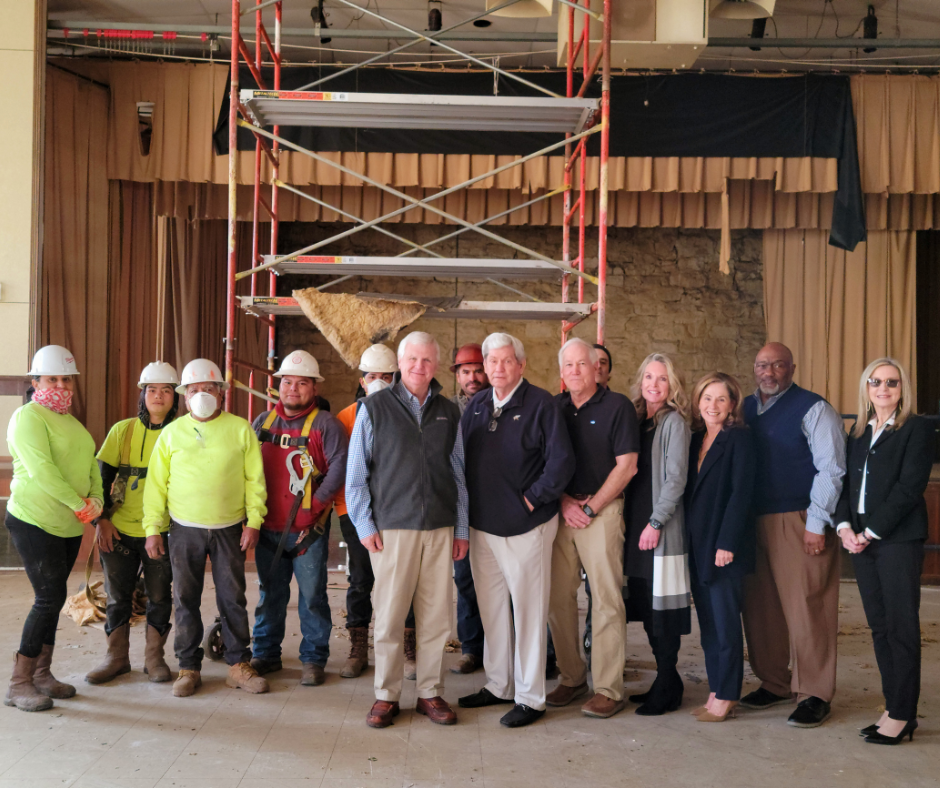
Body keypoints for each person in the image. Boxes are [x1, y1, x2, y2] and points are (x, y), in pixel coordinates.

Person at [347, 332, 469, 728]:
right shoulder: (374, 408)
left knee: (435, 618)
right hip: (392, 529)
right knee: (389, 616)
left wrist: (462, 529)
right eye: (413, 359)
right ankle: (386, 695)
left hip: (438, 527)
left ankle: (430, 692)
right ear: (400, 363)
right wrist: (364, 524)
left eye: (428, 360)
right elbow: (355, 476)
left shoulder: (449, 412)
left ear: (436, 365)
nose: (420, 366)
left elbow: (459, 475)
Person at [459, 333, 575, 728]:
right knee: (492, 609)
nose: (497, 368)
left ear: (521, 365)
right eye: (492, 361)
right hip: (482, 528)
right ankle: (498, 684)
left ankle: (530, 697)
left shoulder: (541, 404)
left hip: (527, 527)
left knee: (528, 612)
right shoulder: (476, 405)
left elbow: (560, 463)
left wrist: (529, 501)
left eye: (507, 361)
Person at [143, 358, 268, 698]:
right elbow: (156, 485)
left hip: (230, 527)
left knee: (233, 598)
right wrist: (153, 527)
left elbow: (254, 480)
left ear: (221, 393)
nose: (202, 394)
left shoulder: (240, 429)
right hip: (184, 529)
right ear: (185, 396)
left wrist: (253, 521)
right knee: (185, 598)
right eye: (195, 390)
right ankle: (188, 667)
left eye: (209, 389)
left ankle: (238, 665)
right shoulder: (171, 434)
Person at [741, 342, 846, 728]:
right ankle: (774, 682)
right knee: (761, 607)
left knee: (807, 608)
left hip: (798, 518)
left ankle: (815, 693)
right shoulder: (746, 408)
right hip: (754, 520)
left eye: (778, 366)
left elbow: (831, 469)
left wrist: (816, 523)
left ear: (792, 368)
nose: (769, 372)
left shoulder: (814, 408)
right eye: (762, 365)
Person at [834, 358, 934, 745]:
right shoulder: (857, 431)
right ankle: (893, 707)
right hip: (859, 538)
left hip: (895, 540)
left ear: (902, 388)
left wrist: (871, 532)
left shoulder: (918, 429)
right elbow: (844, 485)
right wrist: (844, 527)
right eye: (876, 381)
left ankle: (904, 714)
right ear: (866, 387)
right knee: (879, 626)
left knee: (901, 627)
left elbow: (910, 488)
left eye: (891, 382)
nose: (883, 388)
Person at [4, 346, 103, 712]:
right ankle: (19, 684)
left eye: (66, 379)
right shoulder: (28, 417)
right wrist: (81, 505)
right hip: (34, 520)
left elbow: (90, 463)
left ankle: (43, 675)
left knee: (56, 598)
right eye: (52, 379)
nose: (60, 385)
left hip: (67, 525)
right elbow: (43, 471)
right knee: (47, 599)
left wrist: (96, 498)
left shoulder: (72, 423)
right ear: (35, 382)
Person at [547, 338, 638, 718]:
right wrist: (566, 503)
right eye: (567, 366)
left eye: (581, 364)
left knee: (605, 600)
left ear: (595, 367)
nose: (575, 371)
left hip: (602, 513)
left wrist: (590, 506)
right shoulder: (555, 408)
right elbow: (544, 461)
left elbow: (627, 465)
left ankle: (609, 688)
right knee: (557, 598)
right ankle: (571, 677)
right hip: (563, 511)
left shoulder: (617, 407)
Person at [249, 350, 348, 687]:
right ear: (279, 386)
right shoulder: (261, 423)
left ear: (313, 388)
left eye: (302, 383)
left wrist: (317, 504)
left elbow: (340, 467)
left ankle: (313, 659)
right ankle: (265, 654)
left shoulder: (326, 425)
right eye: (287, 382)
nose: (293, 388)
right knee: (269, 595)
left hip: (308, 534)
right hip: (267, 529)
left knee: (313, 598)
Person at [86, 362, 180, 685]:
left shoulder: (181, 433)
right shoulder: (122, 431)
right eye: (151, 389)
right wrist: (101, 521)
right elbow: (98, 481)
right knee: (117, 596)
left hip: (162, 532)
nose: (158, 395)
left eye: (166, 390)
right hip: (119, 531)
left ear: (175, 397)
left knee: (159, 596)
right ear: (142, 394)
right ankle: (116, 658)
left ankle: (154, 659)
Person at [623, 353, 693, 716]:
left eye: (662, 379)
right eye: (648, 377)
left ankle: (668, 682)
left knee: (661, 610)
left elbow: (676, 478)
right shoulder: (636, 420)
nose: (653, 384)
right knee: (646, 609)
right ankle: (667, 680)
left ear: (672, 386)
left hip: (659, 530)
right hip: (634, 526)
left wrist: (655, 523)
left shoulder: (674, 423)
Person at [686, 373, 756, 722]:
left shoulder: (738, 438)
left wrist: (727, 542)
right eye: (707, 398)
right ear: (698, 401)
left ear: (732, 405)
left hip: (723, 544)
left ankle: (728, 694)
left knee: (726, 622)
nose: (713, 406)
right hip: (698, 545)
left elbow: (742, 493)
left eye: (721, 400)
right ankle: (715, 687)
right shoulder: (697, 438)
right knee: (709, 623)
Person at [333, 343, 405, 680]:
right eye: (371, 376)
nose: (377, 381)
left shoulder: (408, 413)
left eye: (385, 376)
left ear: (396, 379)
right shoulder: (345, 418)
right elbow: (340, 470)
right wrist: (350, 515)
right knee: (360, 581)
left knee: (405, 581)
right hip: (355, 512)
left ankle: (408, 643)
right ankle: (358, 647)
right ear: (362, 381)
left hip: (396, 512)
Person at [449, 343, 489, 675]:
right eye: (466, 371)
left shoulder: (500, 404)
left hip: (497, 509)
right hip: (460, 510)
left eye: (478, 370)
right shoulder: (447, 411)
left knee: (505, 581)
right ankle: (472, 648)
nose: (473, 377)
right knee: (465, 580)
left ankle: (507, 647)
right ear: (457, 376)